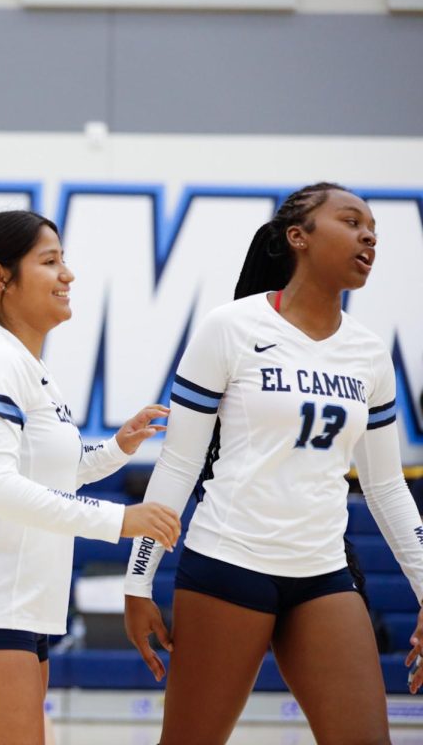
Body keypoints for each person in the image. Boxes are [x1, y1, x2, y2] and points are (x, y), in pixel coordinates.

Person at [122, 183, 423, 744]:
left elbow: (385, 488)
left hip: (323, 573)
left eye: (373, 230)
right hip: (227, 565)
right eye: (351, 221)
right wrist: (138, 584)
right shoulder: (230, 327)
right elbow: (180, 465)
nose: (369, 236)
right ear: (298, 237)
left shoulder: (368, 354)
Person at [0, 210, 180, 745]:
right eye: (50, 261)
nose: (68, 275)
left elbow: (49, 472)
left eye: (64, 260)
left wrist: (117, 447)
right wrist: (120, 520)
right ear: (0, 278)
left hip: (17, 604)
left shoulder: (23, 364)